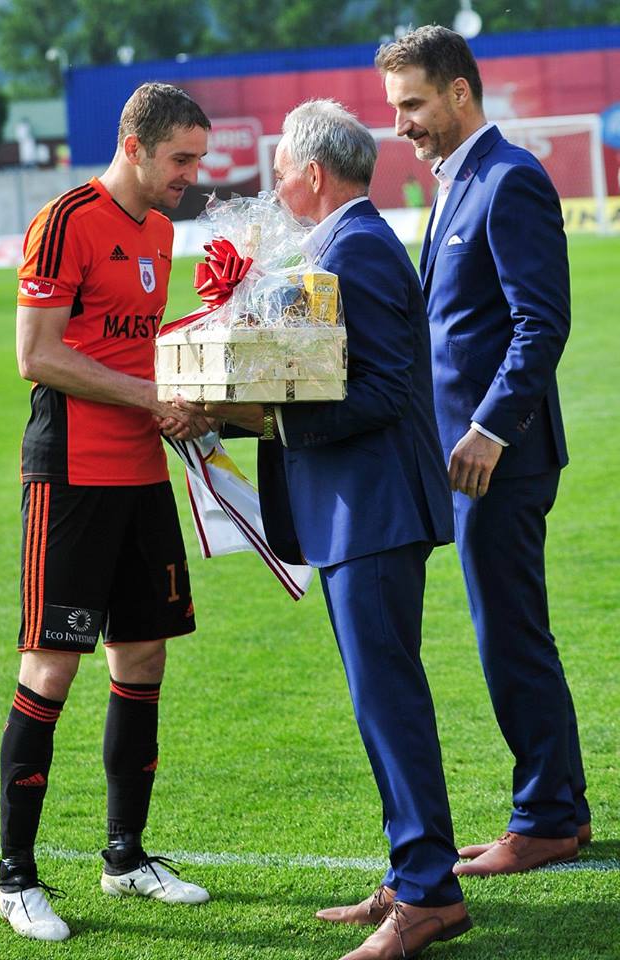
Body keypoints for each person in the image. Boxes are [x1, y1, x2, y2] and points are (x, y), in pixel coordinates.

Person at [200, 99, 472, 960]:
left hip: (374, 512)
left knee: (388, 702)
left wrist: (255, 414)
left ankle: (429, 896)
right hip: (353, 511)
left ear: (312, 173)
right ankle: (408, 872)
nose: (274, 182)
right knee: (376, 700)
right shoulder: (335, 246)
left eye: (280, 168)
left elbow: (385, 392)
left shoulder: (355, 249)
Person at [0, 82, 214, 943]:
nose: (191, 175)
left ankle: (125, 856)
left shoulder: (160, 230)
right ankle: (15, 878)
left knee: (144, 655)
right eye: (180, 159)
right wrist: (153, 396)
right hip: (72, 476)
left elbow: (138, 348)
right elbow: (36, 355)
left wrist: (196, 387)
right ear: (134, 145)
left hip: (142, 473)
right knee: (51, 666)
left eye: (197, 159)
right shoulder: (65, 221)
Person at [376, 26, 590, 876]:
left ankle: (545, 817)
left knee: (509, 634)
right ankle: (558, 807)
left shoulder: (509, 179)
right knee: (507, 629)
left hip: (498, 458)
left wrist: (490, 429)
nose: (400, 124)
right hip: (463, 458)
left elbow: (541, 323)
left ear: (459, 92)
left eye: (412, 104)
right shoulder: (456, 181)